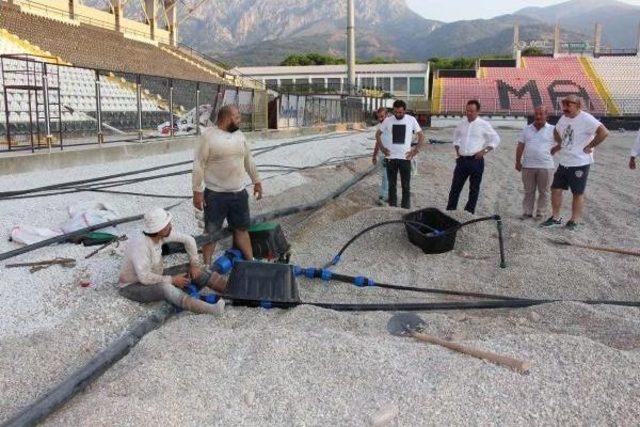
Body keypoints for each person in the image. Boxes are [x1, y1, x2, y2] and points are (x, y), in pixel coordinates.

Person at [118, 208, 226, 315]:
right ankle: (210, 309)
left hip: (155, 275)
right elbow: (144, 277)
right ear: (158, 229)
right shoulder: (140, 245)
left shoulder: (160, 235)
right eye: (167, 225)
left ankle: (230, 290)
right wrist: (172, 280)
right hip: (132, 286)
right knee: (166, 288)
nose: (170, 226)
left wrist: (194, 265)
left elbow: (189, 240)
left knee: (194, 270)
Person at [193, 105, 263, 265]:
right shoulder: (208, 137)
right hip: (215, 195)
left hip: (239, 194)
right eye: (237, 117)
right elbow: (198, 164)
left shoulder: (239, 136)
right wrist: (197, 191)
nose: (240, 120)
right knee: (211, 233)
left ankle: (250, 262)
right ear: (226, 118)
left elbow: (248, 159)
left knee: (241, 229)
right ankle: (207, 266)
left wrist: (256, 181)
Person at [540, 95, 609, 230]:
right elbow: (556, 131)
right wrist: (558, 145)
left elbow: (604, 132)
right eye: (563, 104)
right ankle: (555, 218)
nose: (565, 108)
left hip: (580, 162)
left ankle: (574, 221)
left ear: (578, 106)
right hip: (564, 161)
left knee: (577, 192)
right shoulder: (563, 118)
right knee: (556, 189)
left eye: (568, 105)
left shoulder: (586, 119)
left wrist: (591, 146)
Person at [446, 100, 500, 215]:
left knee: (474, 189)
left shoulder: (484, 124)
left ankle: (468, 213)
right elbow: (456, 137)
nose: (469, 113)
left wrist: (484, 151)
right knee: (455, 187)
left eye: (472, 111)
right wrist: (457, 149)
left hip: (476, 160)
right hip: (462, 160)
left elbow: (496, 139)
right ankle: (450, 211)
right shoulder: (461, 123)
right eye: (467, 110)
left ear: (478, 111)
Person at [375, 99, 425, 209]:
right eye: (396, 112)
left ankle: (405, 209)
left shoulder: (411, 120)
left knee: (406, 186)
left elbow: (421, 136)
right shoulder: (388, 121)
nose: (398, 114)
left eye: (401, 112)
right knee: (392, 186)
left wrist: (415, 151)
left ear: (405, 111)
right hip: (391, 159)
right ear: (393, 111)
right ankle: (393, 207)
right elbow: (378, 134)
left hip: (405, 158)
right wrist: (382, 149)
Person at [515, 106, 556, 219]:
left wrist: (554, 150)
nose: (538, 116)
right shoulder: (526, 129)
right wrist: (518, 162)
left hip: (546, 166)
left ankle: (540, 213)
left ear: (546, 116)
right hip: (528, 165)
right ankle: (527, 212)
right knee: (529, 191)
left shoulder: (553, 129)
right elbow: (520, 146)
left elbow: (562, 142)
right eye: (536, 114)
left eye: (541, 114)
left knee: (544, 192)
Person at [371, 106, 389, 205]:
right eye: (379, 117)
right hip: (382, 155)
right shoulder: (380, 126)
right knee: (384, 176)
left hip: (389, 155)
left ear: (387, 115)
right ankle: (383, 194)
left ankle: (386, 196)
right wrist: (374, 155)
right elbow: (377, 142)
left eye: (382, 116)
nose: (380, 119)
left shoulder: (391, 126)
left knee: (387, 176)